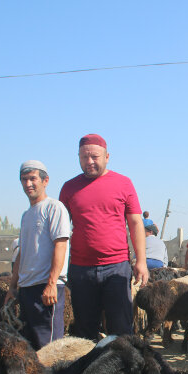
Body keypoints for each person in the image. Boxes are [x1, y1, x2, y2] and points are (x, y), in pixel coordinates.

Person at [59, 133, 148, 340]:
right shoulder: (69, 188)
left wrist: (141, 261)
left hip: (116, 267)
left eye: (94, 157)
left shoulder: (124, 183)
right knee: (84, 331)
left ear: (107, 156)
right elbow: (60, 231)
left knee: (120, 330)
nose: (89, 162)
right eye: (84, 157)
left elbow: (135, 223)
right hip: (81, 270)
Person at [6, 161, 71, 349]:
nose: (28, 184)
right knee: (29, 347)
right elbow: (22, 253)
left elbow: (61, 245)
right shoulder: (27, 215)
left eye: (33, 178)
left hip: (46, 289)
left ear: (45, 181)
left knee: (48, 349)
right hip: (27, 288)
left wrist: (52, 283)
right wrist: (13, 286)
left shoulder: (54, 208)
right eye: (24, 180)